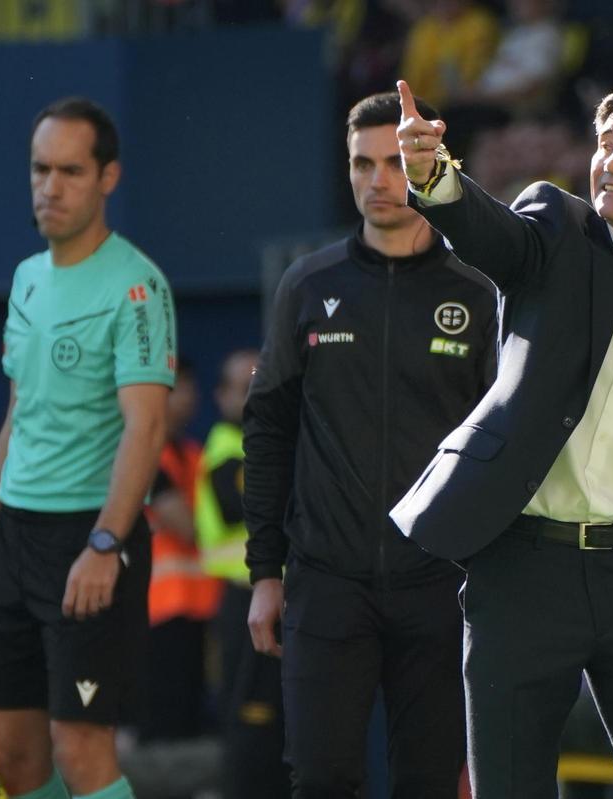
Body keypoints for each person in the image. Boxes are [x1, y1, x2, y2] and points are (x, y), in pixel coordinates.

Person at [391, 78, 613, 799]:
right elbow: (487, 230)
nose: (612, 160)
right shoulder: (556, 231)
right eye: (605, 142)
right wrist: (433, 174)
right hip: (525, 567)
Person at [244, 90, 497, 798]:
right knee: (321, 775)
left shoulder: (477, 290)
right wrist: (266, 570)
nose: (378, 180)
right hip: (327, 579)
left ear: (426, 165)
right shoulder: (308, 283)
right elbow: (267, 430)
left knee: (427, 779)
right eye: (362, 163)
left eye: (394, 162)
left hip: (441, 583)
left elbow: (506, 444)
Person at [0, 96, 176, 799]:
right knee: (17, 759)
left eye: (70, 172)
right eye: (39, 170)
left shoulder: (138, 286)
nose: (50, 188)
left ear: (107, 178)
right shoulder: (26, 279)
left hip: (88, 538)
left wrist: (107, 542)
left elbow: (145, 428)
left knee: (82, 750)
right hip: (16, 541)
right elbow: (18, 418)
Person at [196, 348, 288, 799]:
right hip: (243, 601)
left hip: (280, 598)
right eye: (242, 384)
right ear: (221, 396)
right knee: (252, 726)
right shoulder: (226, 450)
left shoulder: (271, 444)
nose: (254, 392)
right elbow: (252, 506)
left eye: (259, 379)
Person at [140, 356, 221, 744]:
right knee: (163, 731)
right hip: (158, 613)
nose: (185, 397)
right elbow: (188, 526)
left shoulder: (194, 454)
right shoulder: (141, 455)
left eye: (189, 387)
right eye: (175, 388)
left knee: (194, 726)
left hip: (204, 609)